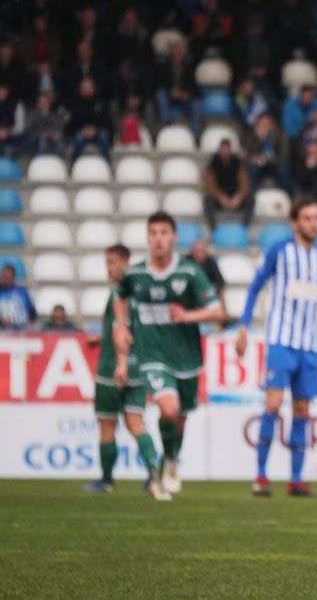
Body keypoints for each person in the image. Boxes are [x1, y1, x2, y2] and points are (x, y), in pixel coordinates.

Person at [113, 212, 224, 499]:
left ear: (174, 237)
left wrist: (188, 315)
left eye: (164, 233)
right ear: (148, 238)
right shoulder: (136, 274)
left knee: (180, 419)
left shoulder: (189, 273)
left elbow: (217, 311)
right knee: (169, 410)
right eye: (153, 233)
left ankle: (171, 458)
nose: (158, 238)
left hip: (186, 358)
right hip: (151, 355)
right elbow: (119, 294)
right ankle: (167, 463)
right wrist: (122, 325)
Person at [235, 197, 317, 497]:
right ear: (295, 222)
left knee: (303, 410)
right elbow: (256, 286)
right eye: (307, 218)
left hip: (309, 346)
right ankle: (262, 476)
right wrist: (243, 326)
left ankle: (295, 478)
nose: (313, 223)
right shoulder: (279, 251)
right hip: (281, 341)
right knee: (272, 404)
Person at [84, 244, 162, 496]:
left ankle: (106, 481)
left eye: (114, 262)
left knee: (107, 424)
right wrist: (101, 337)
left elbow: (122, 330)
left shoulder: (123, 291)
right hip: (137, 367)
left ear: (126, 262)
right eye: (107, 262)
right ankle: (153, 472)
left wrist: (119, 362)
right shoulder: (139, 290)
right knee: (135, 423)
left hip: (112, 368)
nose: (109, 268)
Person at [203, 139, 252, 229]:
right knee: (208, 200)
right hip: (219, 198)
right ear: (220, 150)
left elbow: (245, 183)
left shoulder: (238, 164)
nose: (225, 152)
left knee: (251, 199)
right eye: (223, 149)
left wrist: (239, 196)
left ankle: (244, 227)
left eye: (227, 149)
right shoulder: (212, 165)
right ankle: (214, 228)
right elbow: (210, 185)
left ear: (230, 150)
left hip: (236, 197)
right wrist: (220, 197)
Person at [0, 263, 34, 330]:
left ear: (13, 277)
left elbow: (32, 312)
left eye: (8, 276)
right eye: (4, 276)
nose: (5, 278)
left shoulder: (22, 291)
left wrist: (29, 322)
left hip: (20, 329)